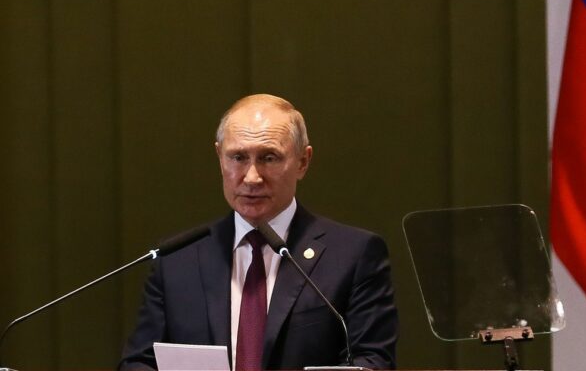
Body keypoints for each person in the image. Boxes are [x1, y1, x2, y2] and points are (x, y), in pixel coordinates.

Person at [119, 93, 398, 370]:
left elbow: (372, 361)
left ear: (303, 161)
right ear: (219, 157)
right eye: (238, 157)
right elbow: (138, 363)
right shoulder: (177, 260)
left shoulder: (353, 255)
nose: (252, 177)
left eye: (269, 158)